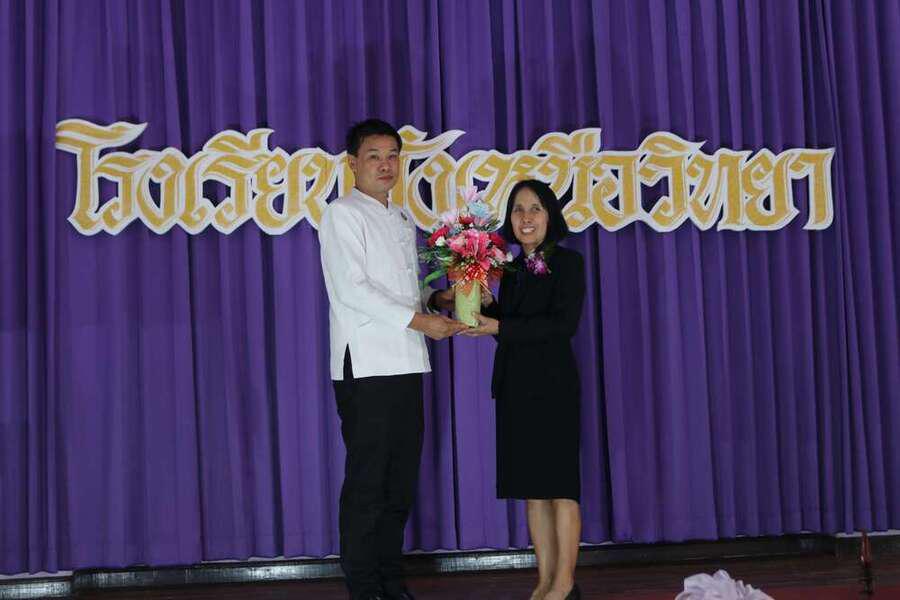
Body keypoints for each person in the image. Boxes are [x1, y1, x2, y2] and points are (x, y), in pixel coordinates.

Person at [318, 118, 465, 600]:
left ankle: (390, 580)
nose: (385, 165)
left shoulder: (402, 217)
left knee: (399, 482)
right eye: (374, 156)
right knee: (368, 484)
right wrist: (421, 321)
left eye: (392, 156)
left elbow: (402, 291)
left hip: (406, 363)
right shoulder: (342, 214)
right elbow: (353, 290)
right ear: (352, 162)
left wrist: (438, 301)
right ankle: (364, 587)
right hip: (366, 367)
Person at [462, 179, 586, 600]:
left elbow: (561, 325)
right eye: (518, 209)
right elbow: (509, 328)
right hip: (515, 387)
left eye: (535, 208)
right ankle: (545, 581)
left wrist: (499, 324)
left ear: (550, 216)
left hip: (553, 387)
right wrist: (483, 303)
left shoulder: (568, 263)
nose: (526, 217)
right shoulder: (512, 269)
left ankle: (565, 584)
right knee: (534, 492)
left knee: (561, 489)